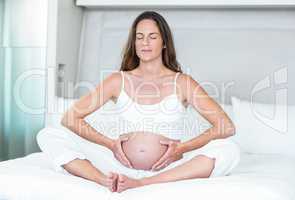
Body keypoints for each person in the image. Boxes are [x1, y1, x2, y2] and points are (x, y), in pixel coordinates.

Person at [37, 11, 240, 193]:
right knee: (49, 134)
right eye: (139, 37)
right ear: (133, 44)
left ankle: (144, 184)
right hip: (117, 165)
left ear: (164, 43)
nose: (145, 43)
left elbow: (226, 126)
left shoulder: (183, 82)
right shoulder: (118, 80)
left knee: (228, 150)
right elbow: (70, 118)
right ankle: (104, 181)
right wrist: (110, 144)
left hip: (169, 169)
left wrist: (182, 148)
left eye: (152, 37)